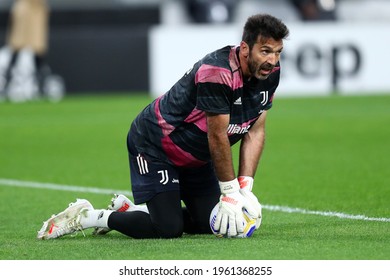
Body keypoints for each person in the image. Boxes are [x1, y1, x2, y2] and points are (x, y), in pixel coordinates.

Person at [37, 13, 289, 240]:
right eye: (265, 51)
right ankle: (89, 216)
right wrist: (230, 191)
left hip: (197, 155)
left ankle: (132, 211)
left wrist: (245, 186)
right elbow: (217, 135)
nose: (272, 60)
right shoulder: (218, 70)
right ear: (245, 48)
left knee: (210, 222)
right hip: (156, 146)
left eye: (277, 52)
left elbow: (255, 129)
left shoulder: (270, 73)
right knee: (167, 228)